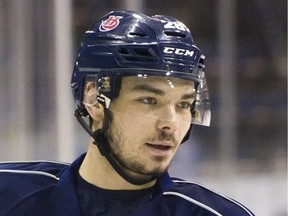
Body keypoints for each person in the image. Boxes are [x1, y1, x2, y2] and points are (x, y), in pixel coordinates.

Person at [0, 10, 254, 216]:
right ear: (94, 99)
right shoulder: (8, 192)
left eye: (183, 105)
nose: (170, 124)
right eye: (148, 100)